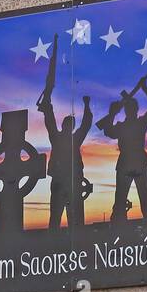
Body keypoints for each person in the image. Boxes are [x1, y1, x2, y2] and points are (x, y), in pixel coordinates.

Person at [97, 78, 147, 222]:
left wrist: (144, 88)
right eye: (128, 108)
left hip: (133, 163)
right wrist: (112, 113)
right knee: (121, 202)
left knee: (144, 202)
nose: (130, 110)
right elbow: (108, 132)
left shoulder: (135, 124)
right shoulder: (130, 125)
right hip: (130, 163)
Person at [40, 95, 93, 230]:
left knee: (71, 219)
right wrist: (48, 107)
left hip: (70, 181)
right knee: (56, 217)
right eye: (68, 124)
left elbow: (86, 124)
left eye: (70, 125)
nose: (68, 126)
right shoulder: (60, 138)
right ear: (64, 125)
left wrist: (87, 106)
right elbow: (50, 122)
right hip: (60, 181)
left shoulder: (68, 138)